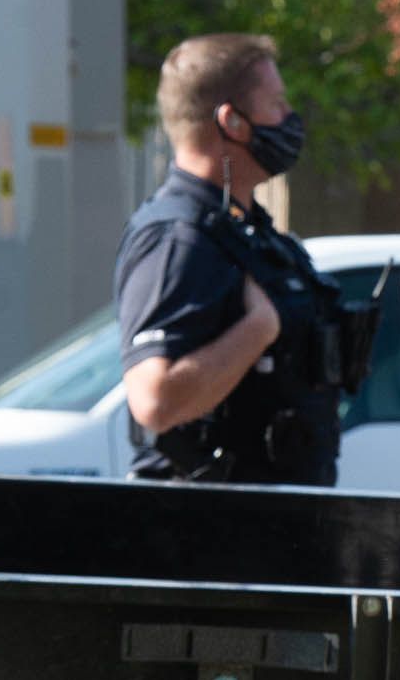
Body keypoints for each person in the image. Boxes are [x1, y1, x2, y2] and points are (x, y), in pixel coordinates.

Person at [116, 33, 357, 487]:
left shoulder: (247, 231)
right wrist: (258, 330)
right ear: (232, 122)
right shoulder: (179, 238)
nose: (288, 118)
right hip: (205, 538)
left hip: (272, 525)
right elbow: (154, 401)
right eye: (277, 103)